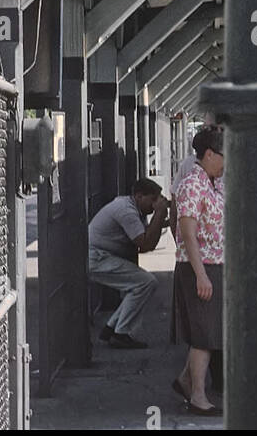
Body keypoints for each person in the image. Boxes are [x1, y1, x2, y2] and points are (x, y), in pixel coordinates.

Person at [172, 126, 225, 415]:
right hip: (199, 267)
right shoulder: (193, 184)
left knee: (209, 332)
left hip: (211, 265)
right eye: (223, 156)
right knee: (204, 337)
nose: (225, 163)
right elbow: (188, 234)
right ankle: (198, 397)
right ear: (209, 154)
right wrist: (201, 275)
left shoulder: (209, 181)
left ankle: (185, 380)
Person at [87, 178, 175, 349]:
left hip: (100, 256)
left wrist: (164, 217)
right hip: (96, 258)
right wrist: (159, 214)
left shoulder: (133, 208)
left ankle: (111, 328)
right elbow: (145, 244)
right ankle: (121, 332)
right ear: (139, 196)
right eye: (153, 199)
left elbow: (146, 240)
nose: (154, 204)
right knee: (146, 282)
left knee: (139, 285)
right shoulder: (126, 211)